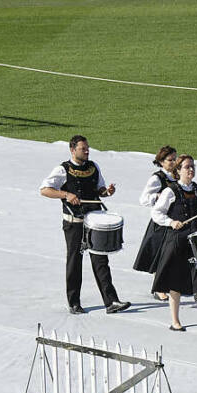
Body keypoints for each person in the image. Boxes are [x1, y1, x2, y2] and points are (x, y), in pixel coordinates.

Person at [41, 134, 128, 315]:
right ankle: (74, 302)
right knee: (75, 261)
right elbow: (45, 190)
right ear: (72, 150)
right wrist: (65, 195)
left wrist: (107, 191)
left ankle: (111, 301)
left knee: (101, 260)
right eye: (83, 148)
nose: (87, 151)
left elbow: (99, 190)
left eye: (87, 148)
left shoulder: (93, 167)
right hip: (74, 223)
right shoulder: (62, 169)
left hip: (94, 221)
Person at [150, 155, 197, 332]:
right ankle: (175, 321)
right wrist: (171, 222)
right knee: (175, 282)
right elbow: (156, 213)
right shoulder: (171, 191)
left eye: (192, 166)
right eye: (187, 167)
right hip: (177, 241)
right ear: (178, 171)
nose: (191, 169)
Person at [133, 145, 177, 296]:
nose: (173, 162)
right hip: (162, 222)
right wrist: (157, 196)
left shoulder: (178, 175)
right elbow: (143, 199)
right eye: (170, 160)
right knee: (161, 255)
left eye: (175, 159)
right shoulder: (157, 178)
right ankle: (159, 288)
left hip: (177, 220)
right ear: (162, 162)